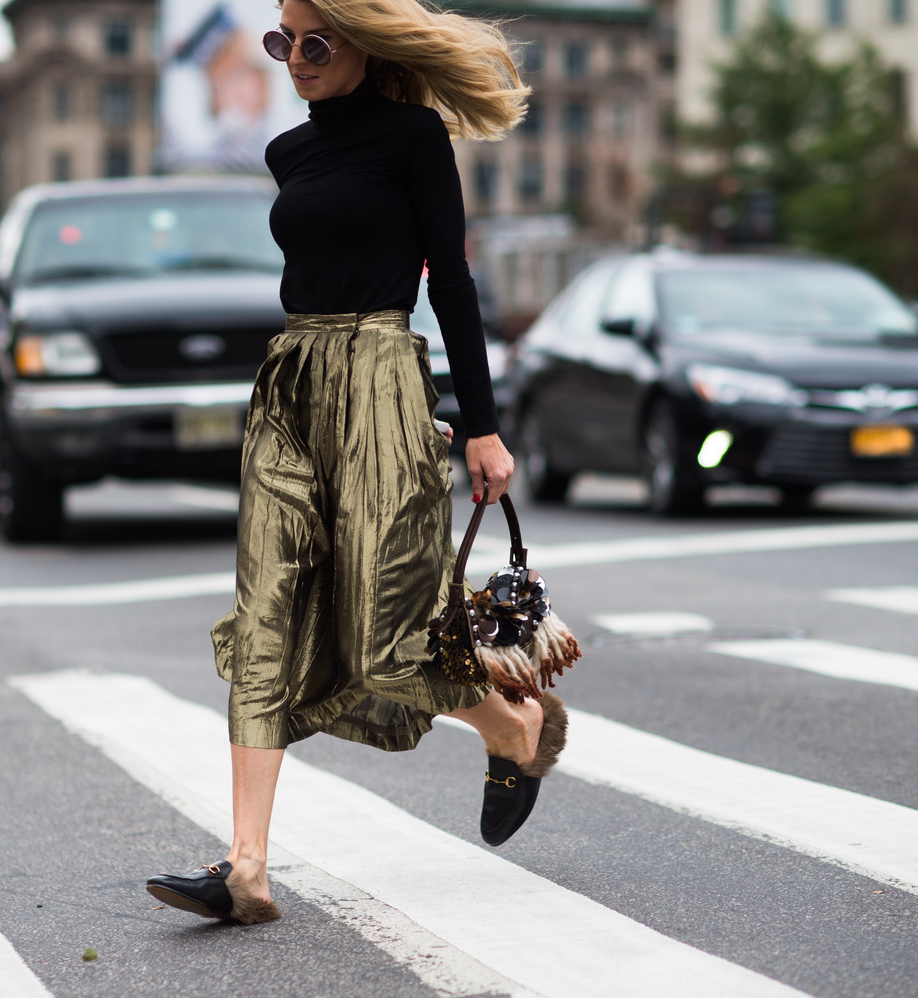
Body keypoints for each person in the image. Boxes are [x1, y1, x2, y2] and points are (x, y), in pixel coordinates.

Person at [146, 0, 567, 925]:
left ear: (363, 45)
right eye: (280, 41)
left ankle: (511, 725)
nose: (293, 58)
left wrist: (483, 425)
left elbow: (449, 284)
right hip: (290, 378)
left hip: (381, 377)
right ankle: (245, 869)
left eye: (313, 40)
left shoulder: (414, 138)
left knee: (382, 642)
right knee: (264, 618)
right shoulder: (286, 153)